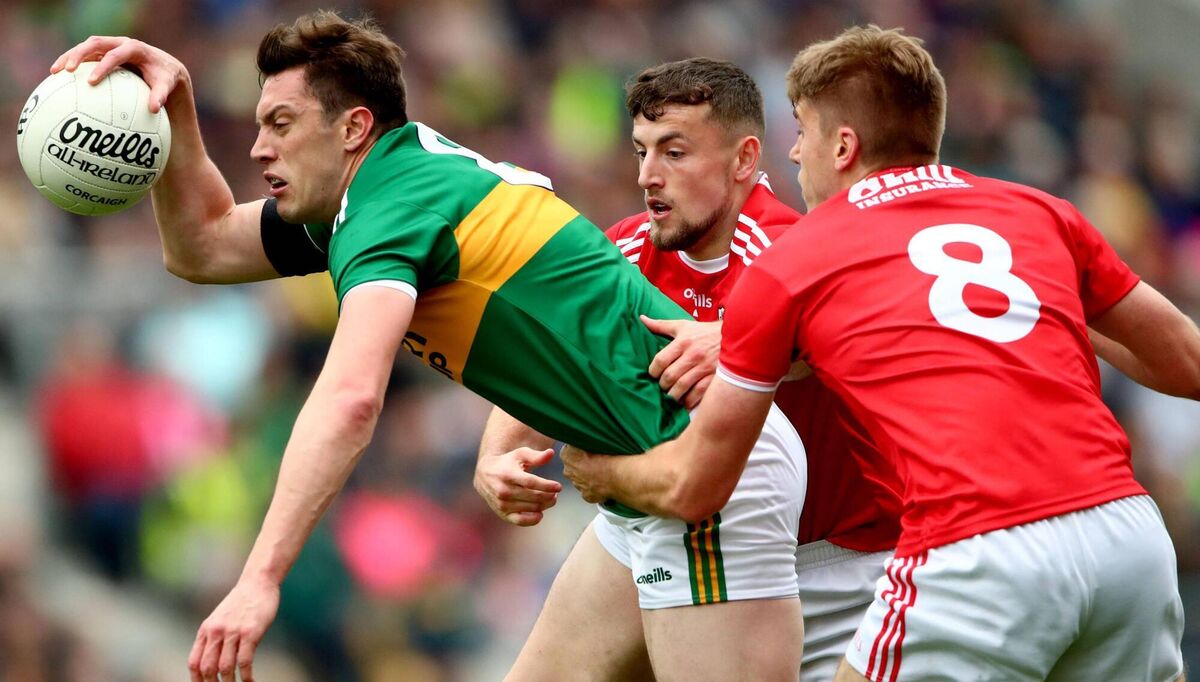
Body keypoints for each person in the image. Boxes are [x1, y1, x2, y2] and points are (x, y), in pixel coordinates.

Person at [50, 12, 805, 682]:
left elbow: (351, 399)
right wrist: (171, 113)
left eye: (280, 124)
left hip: (702, 465)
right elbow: (203, 248)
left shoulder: (387, 210)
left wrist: (259, 579)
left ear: (351, 129)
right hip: (644, 474)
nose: (256, 148)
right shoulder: (377, 187)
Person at [561, 25, 1197, 681]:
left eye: (802, 133)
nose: (795, 153)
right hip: (1129, 540)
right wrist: (1038, 306)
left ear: (843, 144)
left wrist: (608, 478)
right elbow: (1187, 358)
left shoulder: (798, 259)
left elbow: (698, 485)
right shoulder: (1038, 211)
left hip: (978, 550)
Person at [475, 57, 901, 680]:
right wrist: (498, 455)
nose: (649, 176)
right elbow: (555, 357)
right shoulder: (623, 248)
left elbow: (855, 334)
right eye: (641, 151)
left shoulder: (794, 247)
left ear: (744, 160)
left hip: (828, 559)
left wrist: (739, 341)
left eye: (674, 153)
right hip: (658, 521)